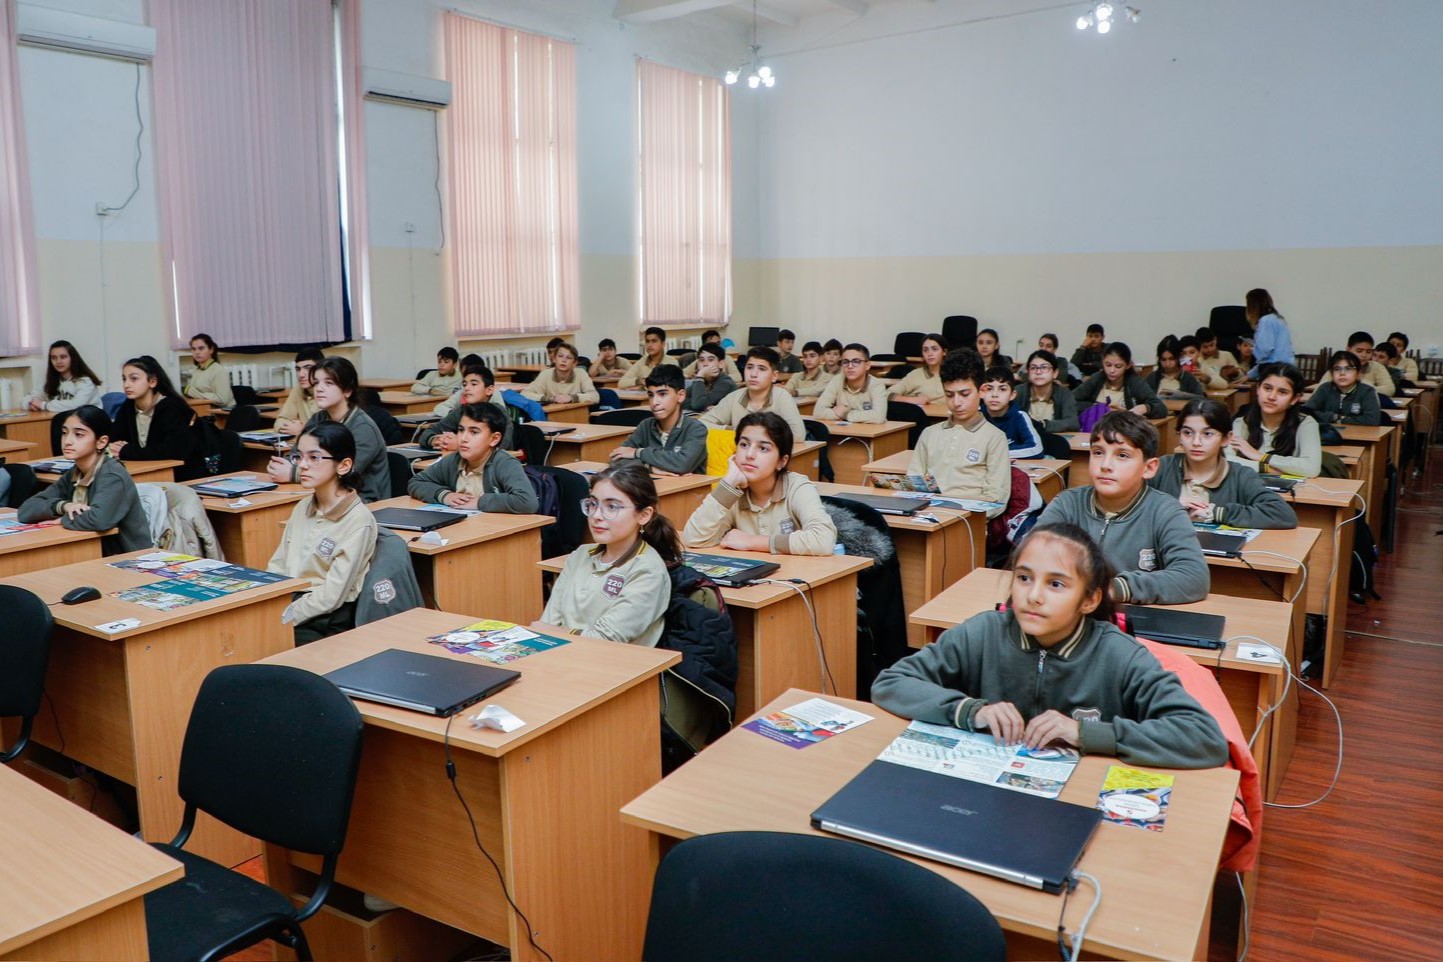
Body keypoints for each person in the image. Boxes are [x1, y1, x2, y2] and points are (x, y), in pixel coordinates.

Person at [870, 523, 1227, 768]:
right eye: (1024, 578)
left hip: (1078, 802)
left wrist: (1086, 733)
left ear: (1089, 600)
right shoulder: (982, 632)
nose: (1034, 596)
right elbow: (890, 683)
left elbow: (1204, 739)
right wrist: (970, 710)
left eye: (1056, 585)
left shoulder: (1121, 656)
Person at [1036, 411, 1210, 604]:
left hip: (1130, 619)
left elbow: (1194, 578)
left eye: (1122, 455)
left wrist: (1113, 589)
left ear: (1149, 468)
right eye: (1098, 453)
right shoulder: (1067, 503)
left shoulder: (1165, 511)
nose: (1106, 465)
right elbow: (1032, 557)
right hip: (1070, 612)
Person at [538, 460, 677, 646]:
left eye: (612, 507)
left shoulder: (647, 570)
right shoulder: (580, 555)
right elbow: (547, 623)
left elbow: (606, 640)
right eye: (593, 504)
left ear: (644, 515)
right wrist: (549, 634)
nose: (596, 515)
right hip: (563, 656)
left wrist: (554, 633)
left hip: (614, 667)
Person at [266, 421, 378, 645]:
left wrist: (284, 615)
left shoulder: (358, 520)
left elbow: (330, 597)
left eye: (314, 457)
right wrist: (266, 604)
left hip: (324, 619)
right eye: (298, 457)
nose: (303, 466)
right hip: (289, 602)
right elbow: (278, 565)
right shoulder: (303, 506)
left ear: (344, 465)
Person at [683, 411, 837, 555]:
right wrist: (728, 484)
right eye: (744, 445)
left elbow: (824, 540)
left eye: (763, 448)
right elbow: (694, 539)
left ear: (782, 461)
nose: (749, 455)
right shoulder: (732, 491)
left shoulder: (797, 487)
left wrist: (752, 542)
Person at [18, 405, 151, 555]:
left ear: (101, 442)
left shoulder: (112, 475)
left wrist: (62, 520)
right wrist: (63, 506)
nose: (67, 441)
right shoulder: (74, 473)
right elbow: (26, 511)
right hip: (87, 549)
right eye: (64, 433)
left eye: (79, 435)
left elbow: (99, 519)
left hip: (126, 557)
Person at [1148, 400, 1296, 528]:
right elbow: (1129, 503)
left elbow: (1283, 514)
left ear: (1226, 439)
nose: (1196, 442)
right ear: (1179, 436)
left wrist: (1218, 513)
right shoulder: (1160, 467)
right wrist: (1169, 506)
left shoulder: (1241, 476)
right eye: (1188, 433)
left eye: (1207, 434)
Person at [267, 357, 390, 503]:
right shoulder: (318, 419)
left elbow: (345, 474)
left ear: (347, 390)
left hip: (364, 502)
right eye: (316, 383)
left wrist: (292, 473)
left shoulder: (363, 428)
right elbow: (296, 456)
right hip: (326, 495)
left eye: (329, 383)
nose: (319, 389)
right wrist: (280, 467)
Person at [907, 350, 1010, 518]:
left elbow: (997, 500)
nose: (956, 403)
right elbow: (914, 483)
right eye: (949, 395)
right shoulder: (929, 433)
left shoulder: (994, 438)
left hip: (968, 522)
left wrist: (954, 510)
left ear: (982, 391)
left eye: (964, 394)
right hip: (926, 516)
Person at [407, 403, 538, 513]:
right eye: (460, 430)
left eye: (474, 432)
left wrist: (480, 502)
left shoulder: (504, 463)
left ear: (494, 439)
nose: (463, 438)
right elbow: (416, 482)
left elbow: (527, 502)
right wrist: (445, 495)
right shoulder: (454, 460)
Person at [611, 364, 709, 474]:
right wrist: (649, 468)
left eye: (662, 394)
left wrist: (638, 453)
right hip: (651, 488)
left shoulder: (695, 428)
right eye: (651, 395)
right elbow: (616, 459)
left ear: (680, 396)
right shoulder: (646, 426)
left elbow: (682, 464)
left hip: (688, 489)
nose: (654, 402)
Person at [1228, 363, 1322, 477]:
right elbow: (1226, 461)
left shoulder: (1306, 423)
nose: (1271, 397)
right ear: (1258, 389)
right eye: (1267, 388)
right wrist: (1266, 468)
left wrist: (1260, 456)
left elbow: (1311, 468)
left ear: (1294, 399)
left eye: (1282, 392)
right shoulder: (1242, 423)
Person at [699, 347, 808, 442]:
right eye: (749, 367)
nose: (753, 374)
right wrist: (731, 430)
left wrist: (751, 434)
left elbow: (798, 435)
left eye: (761, 369)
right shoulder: (734, 397)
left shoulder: (782, 397)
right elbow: (701, 424)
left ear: (774, 376)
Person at [109, 355, 197, 472]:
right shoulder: (128, 406)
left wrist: (127, 451)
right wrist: (116, 448)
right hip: (145, 468)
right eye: (124, 379)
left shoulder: (171, 406)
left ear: (152, 382)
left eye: (134, 379)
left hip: (180, 471)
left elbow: (174, 450)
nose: (126, 385)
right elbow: (115, 439)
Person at [419, 363, 514, 452]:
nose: (467, 388)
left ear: (489, 390)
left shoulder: (499, 413)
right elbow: (429, 432)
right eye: (464, 385)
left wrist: (459, 445)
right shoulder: (462, 410)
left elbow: (502, 448)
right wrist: (436, 440)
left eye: (474, 384)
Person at [1071, 342, 1167, 418]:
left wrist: (1145, 408)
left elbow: (1161, 409)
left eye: (1118, 366)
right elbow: (1070, 401)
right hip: (1094, 428)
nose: (1112, 370)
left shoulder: (1135, 382)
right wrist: (1100, 408)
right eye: (1108, 365)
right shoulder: (1097, 378)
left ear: (1128, 365)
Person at [980, 366, 1044, 458]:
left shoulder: (1020, 416)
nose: (994, 395)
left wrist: (995, 453)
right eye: (989, 389)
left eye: (1002, 389)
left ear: (1012, 395)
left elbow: (1036, 449)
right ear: (981, 392)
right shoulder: (974, 415)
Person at [815, 343, 888, 423]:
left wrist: (845, 414)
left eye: (856, 361)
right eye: (845, 362)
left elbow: (879, 417)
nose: (850, 366)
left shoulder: (877, 385)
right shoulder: (837, 380)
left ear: (867, 365)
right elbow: (818, 412)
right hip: (845, 432)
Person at [1305, 350, 1381, 427]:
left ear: (1358, 373)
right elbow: (1306, 412)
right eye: (1337, 369)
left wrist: (1341, 420)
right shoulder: (1325, 388)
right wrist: (1334, 417)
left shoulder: (1367, 391)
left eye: (1348, 369)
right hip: (1328, 435)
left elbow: (1373, 420)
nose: (1342, 373)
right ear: (1331, 373)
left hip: (1358, 436)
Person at [23, 340, 102, 413]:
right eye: (54, 358)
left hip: (89, 423)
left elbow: (76, 405)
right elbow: (28, 397)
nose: (58, 361)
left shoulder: (86, 381)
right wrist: (31, 404)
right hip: (66, 421)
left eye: (63, 357)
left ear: (73, 358)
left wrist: (44, 405)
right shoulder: (52, 380)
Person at [1015, 350, 1080, 433]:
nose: (1038, 372)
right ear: (1028, 373)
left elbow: (1072, 423)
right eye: (1033, 368)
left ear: (1055, 373)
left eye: (1044, 367)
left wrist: (1044, 425)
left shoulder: (1064, 394)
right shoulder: (1018, 392)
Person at [521, 342, 599, 405]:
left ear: (574, 363)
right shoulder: (545, 374)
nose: (563, 360)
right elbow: (525, 394)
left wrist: (571, 398)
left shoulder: (581, 373)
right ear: (554, 359)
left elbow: (595, 396)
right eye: (560, 356)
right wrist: (549, 398)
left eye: (568, 358)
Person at [275, 347, 324, 436]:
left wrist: (303, 430)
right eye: (298, 369)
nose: (301, 374)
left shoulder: (327, 391)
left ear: (320, 369)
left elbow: (331, 431)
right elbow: (280, 421)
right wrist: (293, 427)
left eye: (308, 368)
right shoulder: (298, 389)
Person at [1330, 332, 1395, 397]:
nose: (1364, 355)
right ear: (1348, 350)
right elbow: (1321, 388)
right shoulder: (1339, 367)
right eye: (1359, 351)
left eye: (1368, 352)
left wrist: (1362, 388)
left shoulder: (1377, 367)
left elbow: (1390, 390)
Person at [1245, 288, 1293, 377]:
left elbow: (1264, 352)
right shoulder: (1278, 319)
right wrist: (1249, 375)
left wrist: (1252, 349)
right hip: (1285, 369)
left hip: (1274, 371)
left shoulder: (1265, 321)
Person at [888, 333, 947, 405]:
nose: (930, 353)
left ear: (944, 352)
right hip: (924, 415)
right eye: (925, 350)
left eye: (934, 349)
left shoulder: (954, 374)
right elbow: (887, 394)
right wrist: (911, 400)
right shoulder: (916, 375)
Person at [184, 333, 235, 408]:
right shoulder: (197, 370)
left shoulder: (219, 371)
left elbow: (222, 400)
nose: (197, 352)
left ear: (211, 350)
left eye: (201, 348)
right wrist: (206, 394)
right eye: (194, 349)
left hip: (222, 413)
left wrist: (193, 392)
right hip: (205, 410)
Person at [683, 343, 737, 412]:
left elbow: (697, 405)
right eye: (701, 360)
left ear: (721, 364)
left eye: (710, 360)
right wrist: (702, 405)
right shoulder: (703, 380)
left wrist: (700, 376)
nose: (705, 364)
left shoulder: (725, 383)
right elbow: (680, 401)